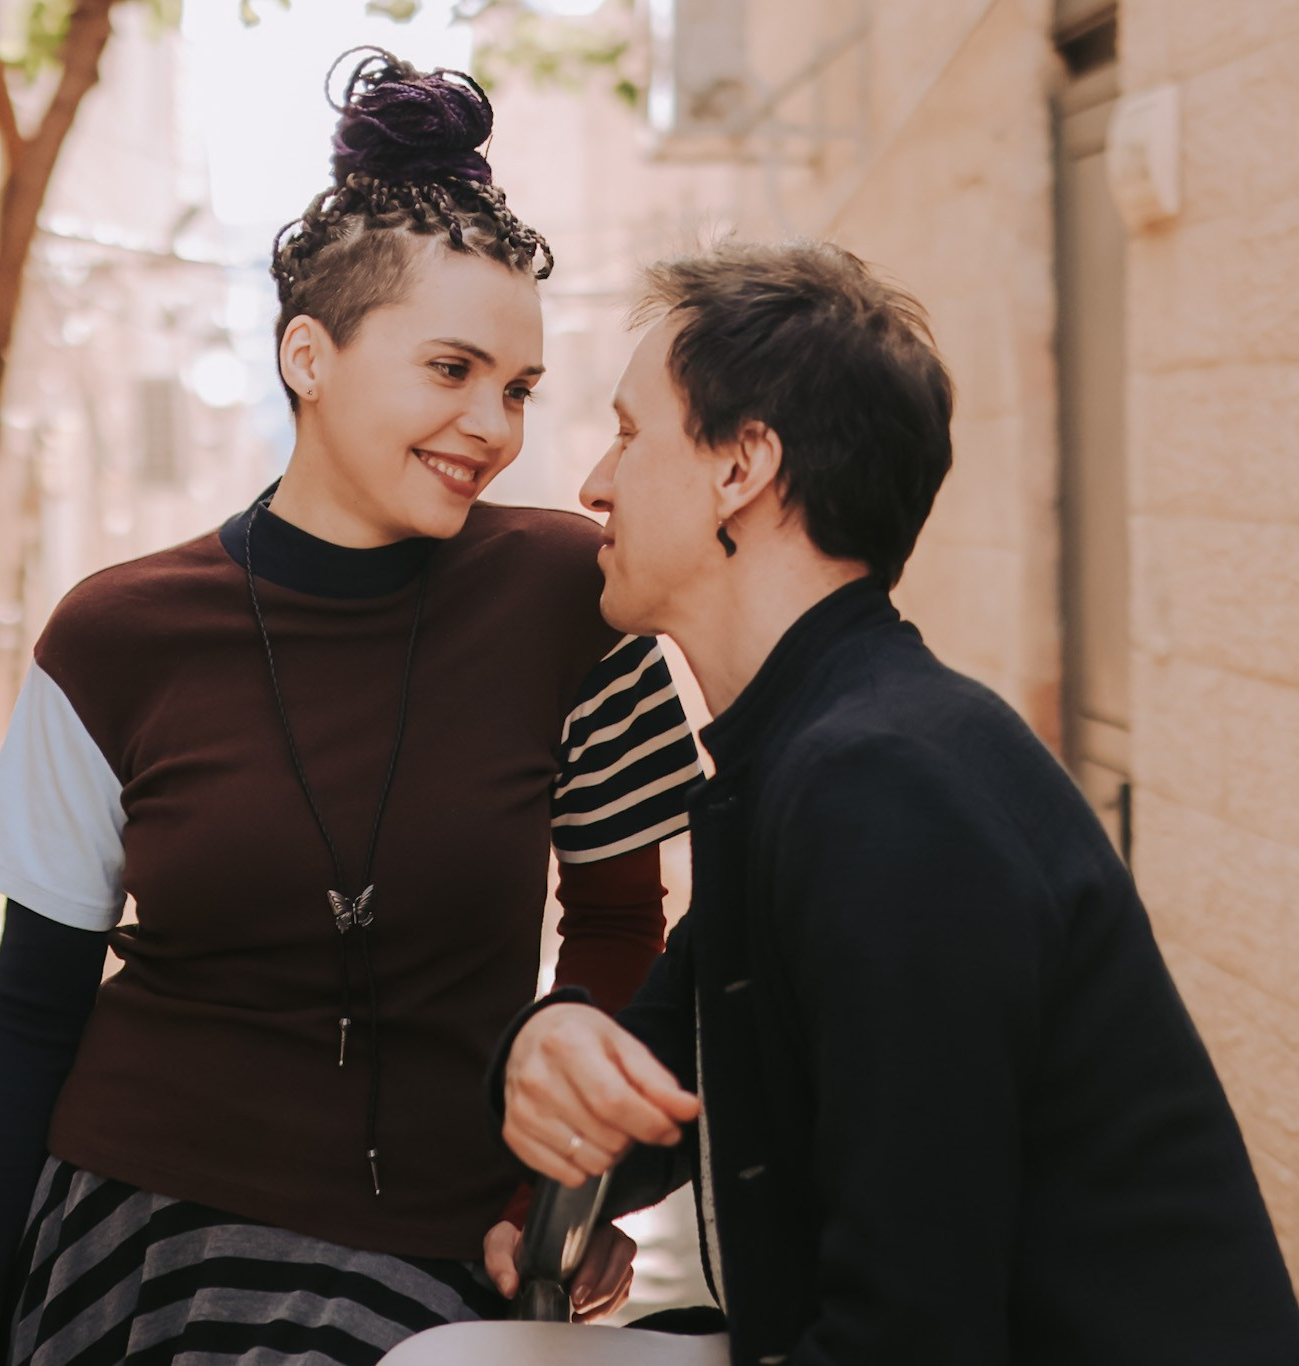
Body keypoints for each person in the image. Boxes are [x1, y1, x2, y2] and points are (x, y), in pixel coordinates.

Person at [0, 51, 703, 1366]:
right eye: (450, 368)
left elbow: (620, 918)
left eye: (517, 387)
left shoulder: (577, 597)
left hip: (445, 1237)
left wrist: (559, 1191)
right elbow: (31, 1009)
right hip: (139, 1231)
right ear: (308, 355)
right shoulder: (112, 636)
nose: (492, 424)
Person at [491, 239, 1299, 1364]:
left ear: (742, 467)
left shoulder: (884, 792)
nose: (591, 482)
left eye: (629, 432)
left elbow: (912, 1331)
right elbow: (653, 1079)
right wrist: (547, 1048)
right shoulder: (806, 754)